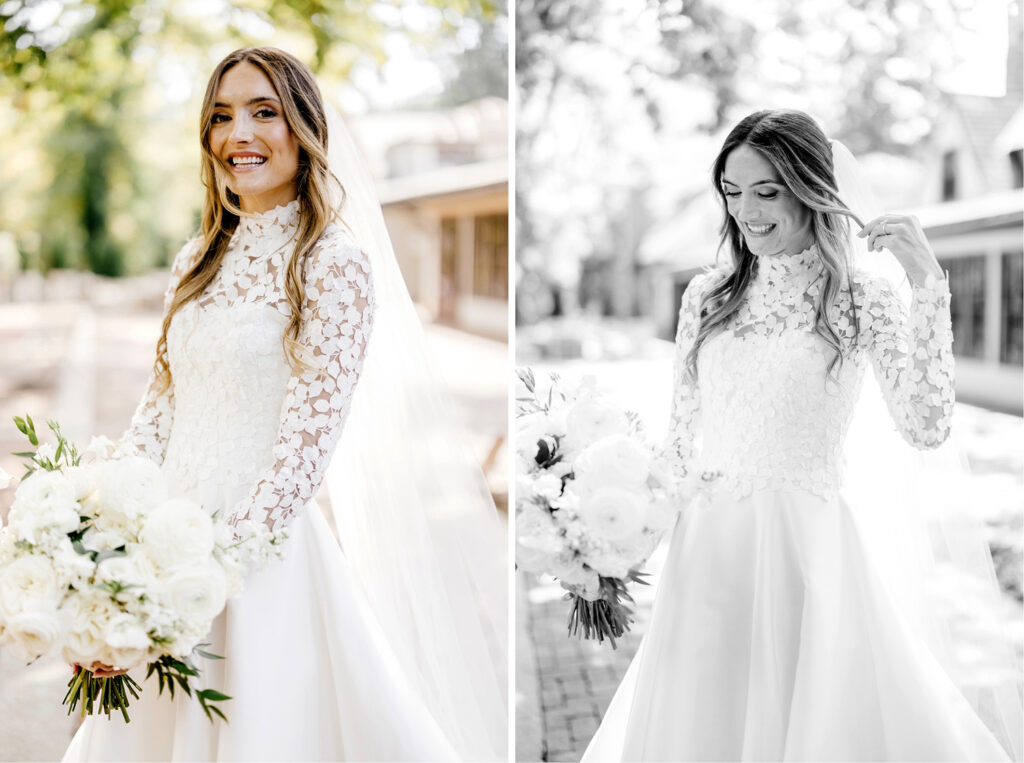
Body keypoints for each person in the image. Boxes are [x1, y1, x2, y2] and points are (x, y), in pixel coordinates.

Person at [62, 47, 506, 762]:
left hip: (257, 566)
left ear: (303, 128)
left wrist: (199, 584)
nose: (240, 134)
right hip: (158, 551)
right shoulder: (196, 258)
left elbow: (302, 455)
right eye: (222, 116)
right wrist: (105, 559)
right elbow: (158, 411)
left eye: (264, 112)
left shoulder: (334, 266)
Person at [582, 109, 1021, 762]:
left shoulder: (860, 298)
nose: (747, 213)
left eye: (767, 192)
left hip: (804, 551)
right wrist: (600, 533)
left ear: (810, 187)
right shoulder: (705, 296)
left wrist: (929, 288)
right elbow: (678, 444)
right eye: (733, 193)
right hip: (706, 557)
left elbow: (927, 426)